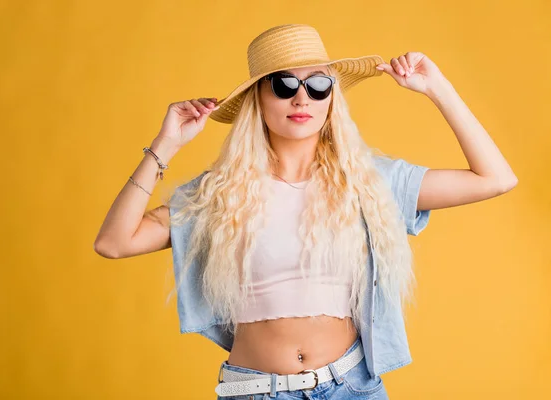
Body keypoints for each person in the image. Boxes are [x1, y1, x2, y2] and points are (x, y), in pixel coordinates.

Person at [94, 24, 518, 399]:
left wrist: (437, 88)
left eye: (318, 84)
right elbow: (114, 242)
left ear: (331, 99)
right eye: (283, 84)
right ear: (256, 98)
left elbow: (495, 178)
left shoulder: (369, 182)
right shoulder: (217, 195)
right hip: (256, 391)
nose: (302, 97)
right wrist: (164, 146)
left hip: (352, 387)